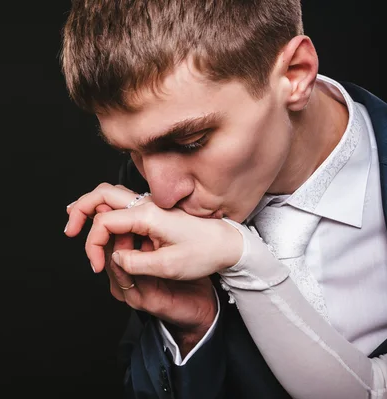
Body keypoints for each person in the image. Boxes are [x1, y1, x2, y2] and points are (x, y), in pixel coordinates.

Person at [60, 0, 387, 398]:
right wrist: (193, 330)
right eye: (132, 151)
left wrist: (245, 261)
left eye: (190, 142)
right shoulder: (144, 191)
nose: (162, 195)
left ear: (295, 74)